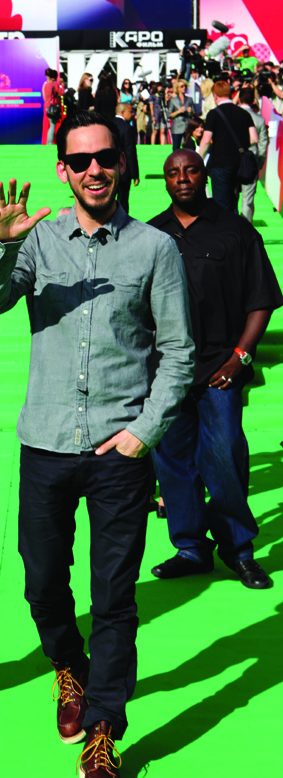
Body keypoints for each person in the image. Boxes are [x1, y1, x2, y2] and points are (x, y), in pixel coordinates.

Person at [0, 110, 194, 778]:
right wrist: (3, 244)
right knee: (43, 582)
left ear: (122, 163)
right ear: (62, 169)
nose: (94, 169)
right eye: (80, 160)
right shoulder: (36, 238)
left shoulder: (155, 248)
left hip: (118, 452)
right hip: (44, 442)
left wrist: (144, 432)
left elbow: (179, 352)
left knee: (115, 597)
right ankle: (68, 665)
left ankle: (104, 730)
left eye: (105, 157)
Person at [148, 149, 282, 589]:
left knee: (225, 455)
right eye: (173, 173)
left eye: (191, 170)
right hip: (167, 371)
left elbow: (261, 299)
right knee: (173, 463)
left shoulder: (236, 230)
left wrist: (241, 356)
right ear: (165, 181)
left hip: (221, 369)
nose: (182, 178)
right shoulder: (150, 234)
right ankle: (190, 549)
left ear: (204, 175)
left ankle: (239, 551)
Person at [198, 80, 258, 211]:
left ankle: (224, 224)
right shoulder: (244, 113)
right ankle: (234, 223)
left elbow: (206, 140)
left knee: (221, 203)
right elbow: (254, 138)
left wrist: (198, 158)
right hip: (239, 163)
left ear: (215, 96)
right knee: (232, 200)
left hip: (220, 163)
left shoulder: (213, 114)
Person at [238, 87, 268, 223]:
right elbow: (263, 145)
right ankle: (245, 228)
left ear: (239, 99)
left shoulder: (233, 115)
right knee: (247, 199)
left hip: (232, 158)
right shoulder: (259, 119)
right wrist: (259, 163)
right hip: (251, 160)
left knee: (230, 195)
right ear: (253, 101)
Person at [113, 103, 139, 213]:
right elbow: (130, 152)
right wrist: (135, 174)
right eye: (130, 111)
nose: (132, 114)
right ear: (122, 112)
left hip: (107, 169)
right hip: (123, 171)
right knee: (123, 200)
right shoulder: (127, 128)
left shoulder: (106, 125)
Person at [168, 80, 195, 150]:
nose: (184, 88)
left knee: (188, 147)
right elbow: (169, 115)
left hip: (187, 126)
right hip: (177, 128)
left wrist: (191, 112)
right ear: (178, 89)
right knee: (176, 148)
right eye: (181, 86)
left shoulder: (189, 99)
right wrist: (178, 111)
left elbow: (195, 113)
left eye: (185, 86)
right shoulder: (173, 100)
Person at [42, 68, 64, 145]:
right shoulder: (54, 83)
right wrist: (62, 85)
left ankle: (49, 142)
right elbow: (61, 93)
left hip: (47, 106)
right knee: (53, 125)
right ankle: (49, 142)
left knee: (50, 124)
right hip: (53, 106)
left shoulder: (46, 85)